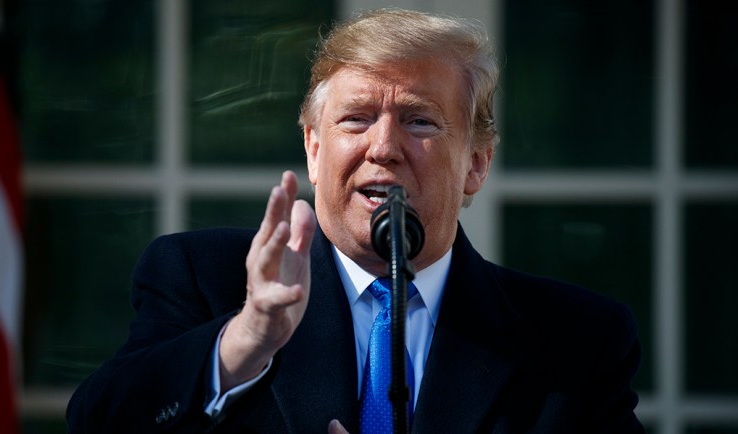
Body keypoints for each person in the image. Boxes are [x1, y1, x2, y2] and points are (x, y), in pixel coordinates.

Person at [66, 8, 645, 433]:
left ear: (475, 163)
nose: (384, 147)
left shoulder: (578, 340)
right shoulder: (205, 278)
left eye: (419, 121)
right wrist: (248, 338)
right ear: (315, 150)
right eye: (356, 118)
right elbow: (97, 424)